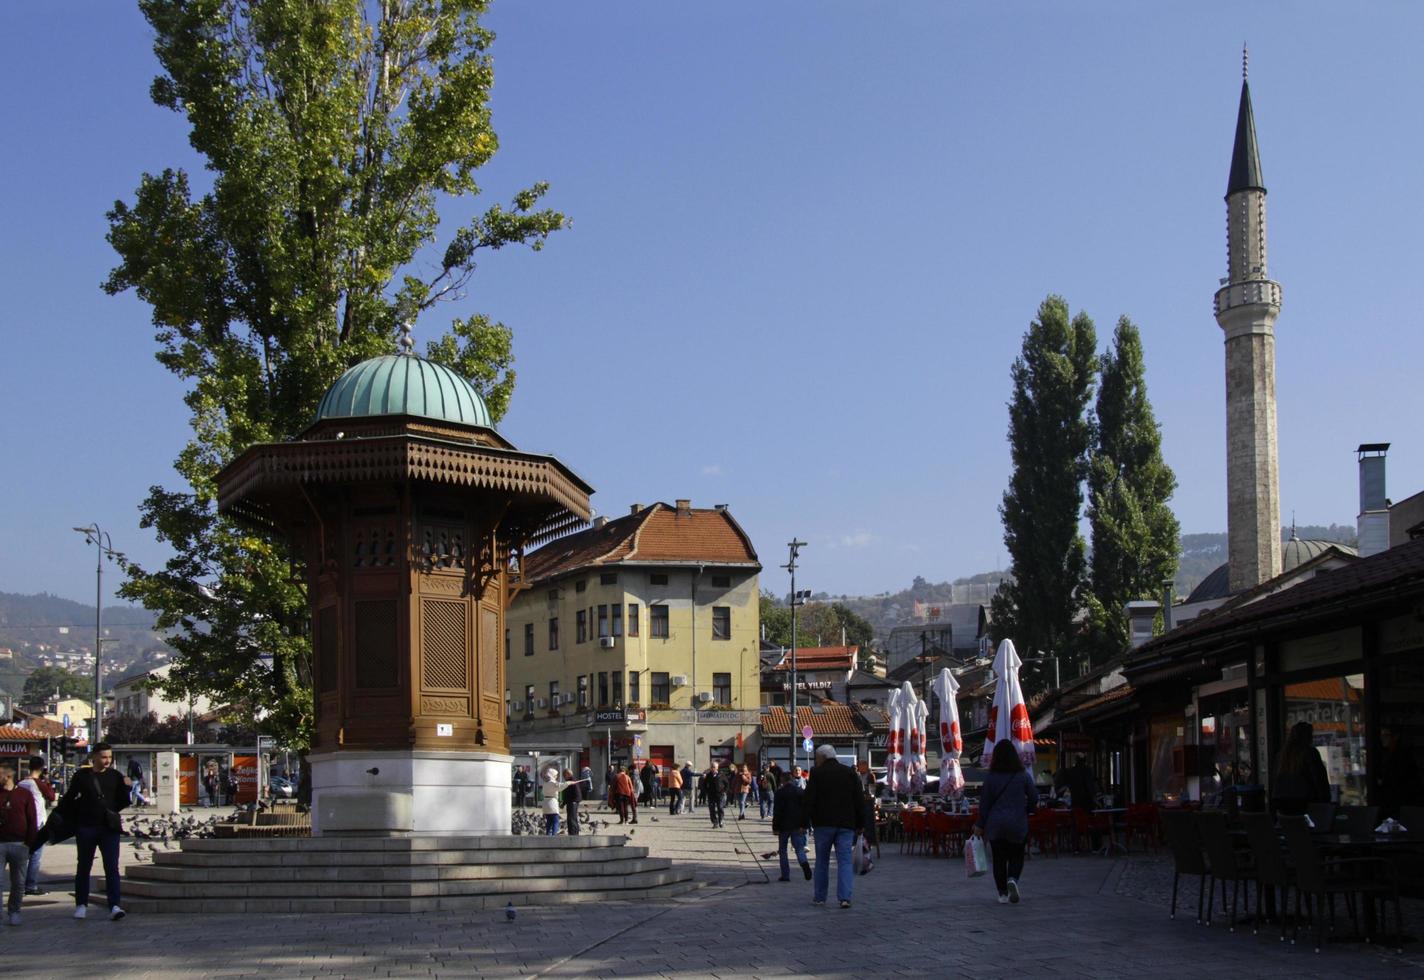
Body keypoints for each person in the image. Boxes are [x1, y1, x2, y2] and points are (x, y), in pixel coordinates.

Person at [62, 741, 131, 920]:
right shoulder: (81, 776)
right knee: (84, 866)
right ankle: (81, 905)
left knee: (112, 868)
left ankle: (115, 905)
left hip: (109, 828)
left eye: (109, 757)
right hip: (86, 827)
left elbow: (123, 801)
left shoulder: (115, 776)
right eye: (103, 757)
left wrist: (127, 788)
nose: (107, 760)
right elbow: (69, 799)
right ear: (94, 757)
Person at [974, 740, 1038, 905]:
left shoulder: (990, 778)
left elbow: (985, 804)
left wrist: (980, 824)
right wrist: (1028, 809)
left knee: (999, 858)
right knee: (1017, 855)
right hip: (1017, 822)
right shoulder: (1023, 776)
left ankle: (1002, 893)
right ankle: (1013, 879)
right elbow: (1034, 797)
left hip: (995, 824)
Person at [801, 744, 864, 909]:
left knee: (822, 860)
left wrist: (804, 822)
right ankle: (845, 898)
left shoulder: (817, 773)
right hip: (846, 824)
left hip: (823, 824)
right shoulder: (850, 772)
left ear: (822, 757)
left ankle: (820, 897)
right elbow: (859, 799)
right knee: (844, 861)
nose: (816, 761)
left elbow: (809, 799)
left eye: (816, 758)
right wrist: (861, 824)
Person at [0, 760, 37, 925]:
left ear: (8, 775)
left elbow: (32, 819)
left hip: (20, 844)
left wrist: (29, 843)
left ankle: (14, 911)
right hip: (0, 844)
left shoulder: (24, 794)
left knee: (19, 882)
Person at [1272, 721, 1331, 816]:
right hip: (1306, 805)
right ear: (1306, 737)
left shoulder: (1282, 756)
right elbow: (1319, 779)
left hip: (1283, 805)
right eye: (1310, 735)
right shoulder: (1310, 753)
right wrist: (1325, 801)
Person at [17, 759, 53, 896]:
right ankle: (30, 885)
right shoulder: (38, 784)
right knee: (35, 856)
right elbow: (50, 796)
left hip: (23, 823)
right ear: (41, 768)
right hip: (38, 823)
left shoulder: (20, 783)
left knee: (23, 857)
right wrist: (47, 781)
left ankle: (20, 885)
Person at [772, 772, 811, 882]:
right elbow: (805, 810)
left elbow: (777, 811)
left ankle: (785, 875)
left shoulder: (779, 793)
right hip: (797, 825)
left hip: (783, 826)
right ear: (792, 779)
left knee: (783, 850)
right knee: (799, 848)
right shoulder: (800, 791)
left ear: (783, 780)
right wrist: (805, 825)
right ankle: (804, 863)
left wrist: (775, 827)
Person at [1056, 755, 1098, 850]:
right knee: (1092, 822)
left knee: (1075, 824)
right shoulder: (1087, 771)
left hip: (1075, 801)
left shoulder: (1071, 772)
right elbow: (1090, 786)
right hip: (1087, 802)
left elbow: (1065, 785)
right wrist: (1094, 797)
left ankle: (1076, 847)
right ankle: (1094, 846)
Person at [539, 767, 566, 835]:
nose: (556, 776)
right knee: (555, 821)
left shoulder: (546, 783)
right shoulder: (553, 783)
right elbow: (561, 788)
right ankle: (554, 836)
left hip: (546, 803)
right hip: (552, 803)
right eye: (555, 775)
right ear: (553, 775)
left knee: (549, 821)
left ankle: (548, 835)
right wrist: (568, 783)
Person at [701, 762, 726, 828]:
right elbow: (704, 784)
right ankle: (715, 822)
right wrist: (707, 791)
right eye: (712, 767)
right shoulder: (708, 775)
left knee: (720, 808)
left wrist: (724, 791)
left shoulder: (721, 775)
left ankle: (721, 821)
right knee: (711, 809)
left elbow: (727, 784)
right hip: (711, 795)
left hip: (720, 794)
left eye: (714, 767)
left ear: (717, 768)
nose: (713, 768)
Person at [561, 768, 583, 835]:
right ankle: (575, 833)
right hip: (574, 801)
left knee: (571, 819)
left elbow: (567, 794)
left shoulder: (570, 782)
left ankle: (572, 834)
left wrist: (564, 803)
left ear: (568, 774)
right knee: (574, 818)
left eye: (564, 775)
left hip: (572, 801)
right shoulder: (573, 780)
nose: (564, 777)